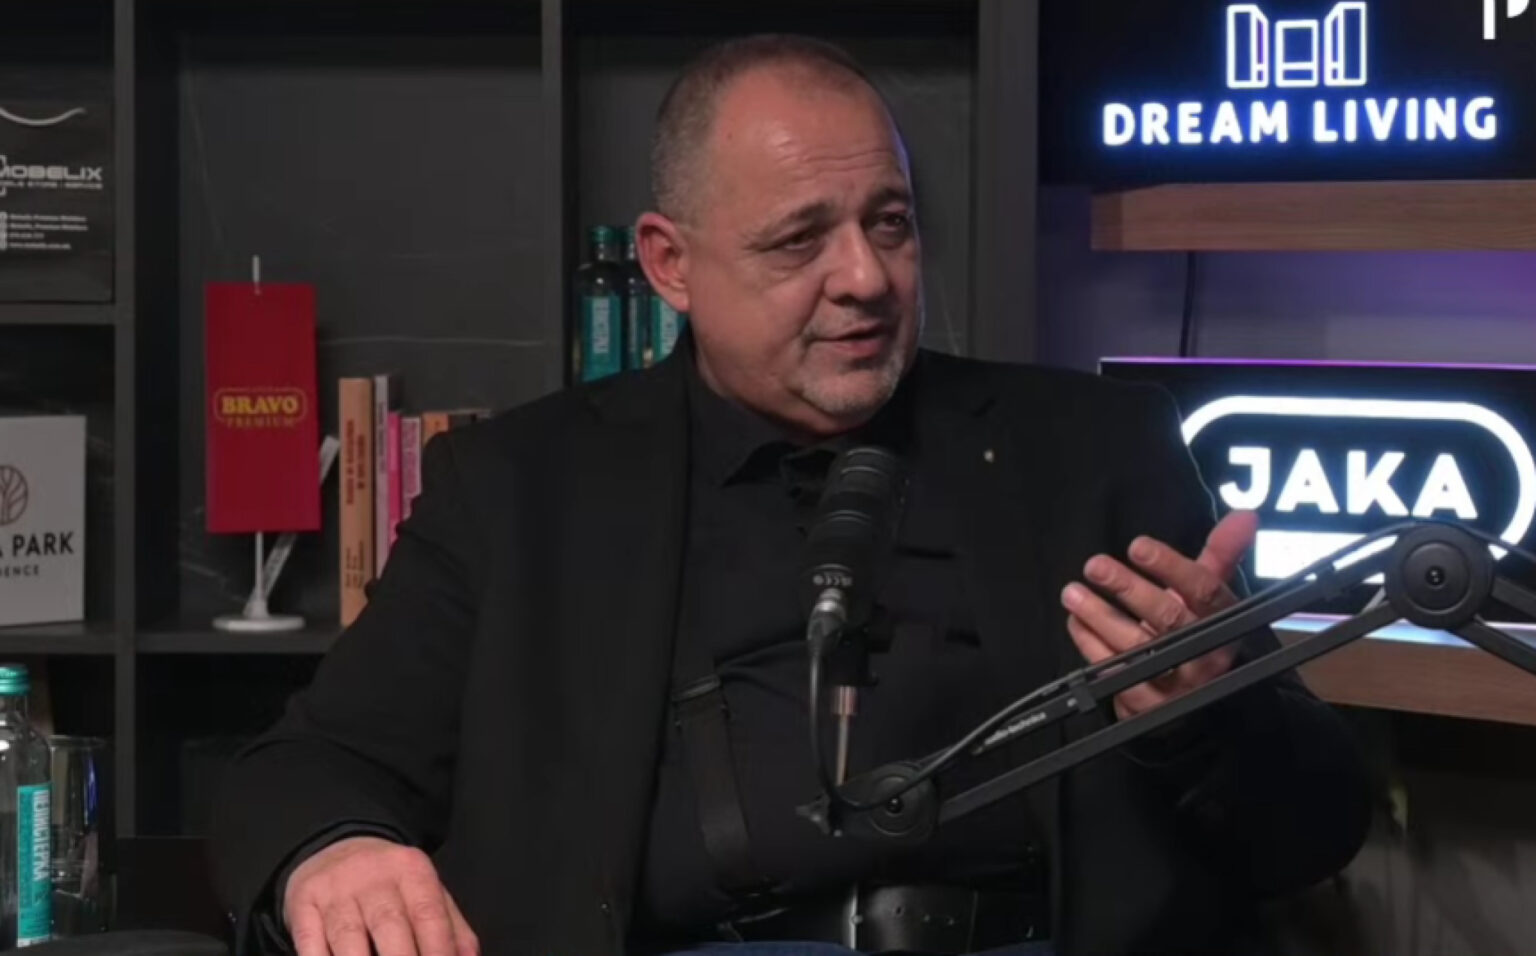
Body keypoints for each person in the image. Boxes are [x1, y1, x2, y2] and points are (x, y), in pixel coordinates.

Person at [212, 35, 1371, 956]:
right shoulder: (517, 490)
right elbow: (304, 768)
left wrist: (1208, 715)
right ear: (669, 263)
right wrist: (337, 851)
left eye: (889, 224)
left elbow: (1318, 827)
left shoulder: (1095, 447)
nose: (864, 277)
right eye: (798, 240)